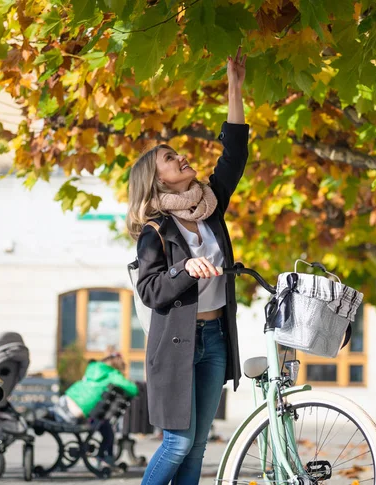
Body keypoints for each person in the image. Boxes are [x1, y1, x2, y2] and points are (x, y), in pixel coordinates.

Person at [126, 47, 249, 485]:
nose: (181, 158)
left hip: (215, 338)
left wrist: (235, 87)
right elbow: (150, 290)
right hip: (175, 344)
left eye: (178, 153)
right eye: (170, 159)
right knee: (177, 443)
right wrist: (186, 271)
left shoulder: (210, 206)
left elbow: (234, 155)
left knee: (198, 445)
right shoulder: (154, 230)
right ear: (159, 180)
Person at [49, 352, 138, 467]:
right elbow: (134, 389)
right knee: (105, 425)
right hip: (76, 414)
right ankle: (105, 456)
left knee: (104, 424)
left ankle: (105, 456)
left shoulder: (92, 368)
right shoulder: (112, 374)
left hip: (63, 403)